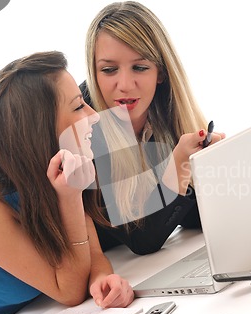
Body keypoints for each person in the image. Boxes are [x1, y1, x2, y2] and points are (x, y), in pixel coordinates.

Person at [0, 51, 134, 314]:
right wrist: (70, 197)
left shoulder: (58, 171)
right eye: (78, 107)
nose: (94, 115)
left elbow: (92, 253)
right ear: (37, 128)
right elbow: (69, 291)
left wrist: (102, 278)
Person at [80, 1, 225, 255]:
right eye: (109, 70)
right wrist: (179, 166)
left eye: (140, 67)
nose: (124, 84)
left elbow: (191, 217)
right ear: (94, 72)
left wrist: (217, 174)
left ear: (161, 72)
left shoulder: (165, 110)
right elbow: (141, 240)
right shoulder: (83, 126)